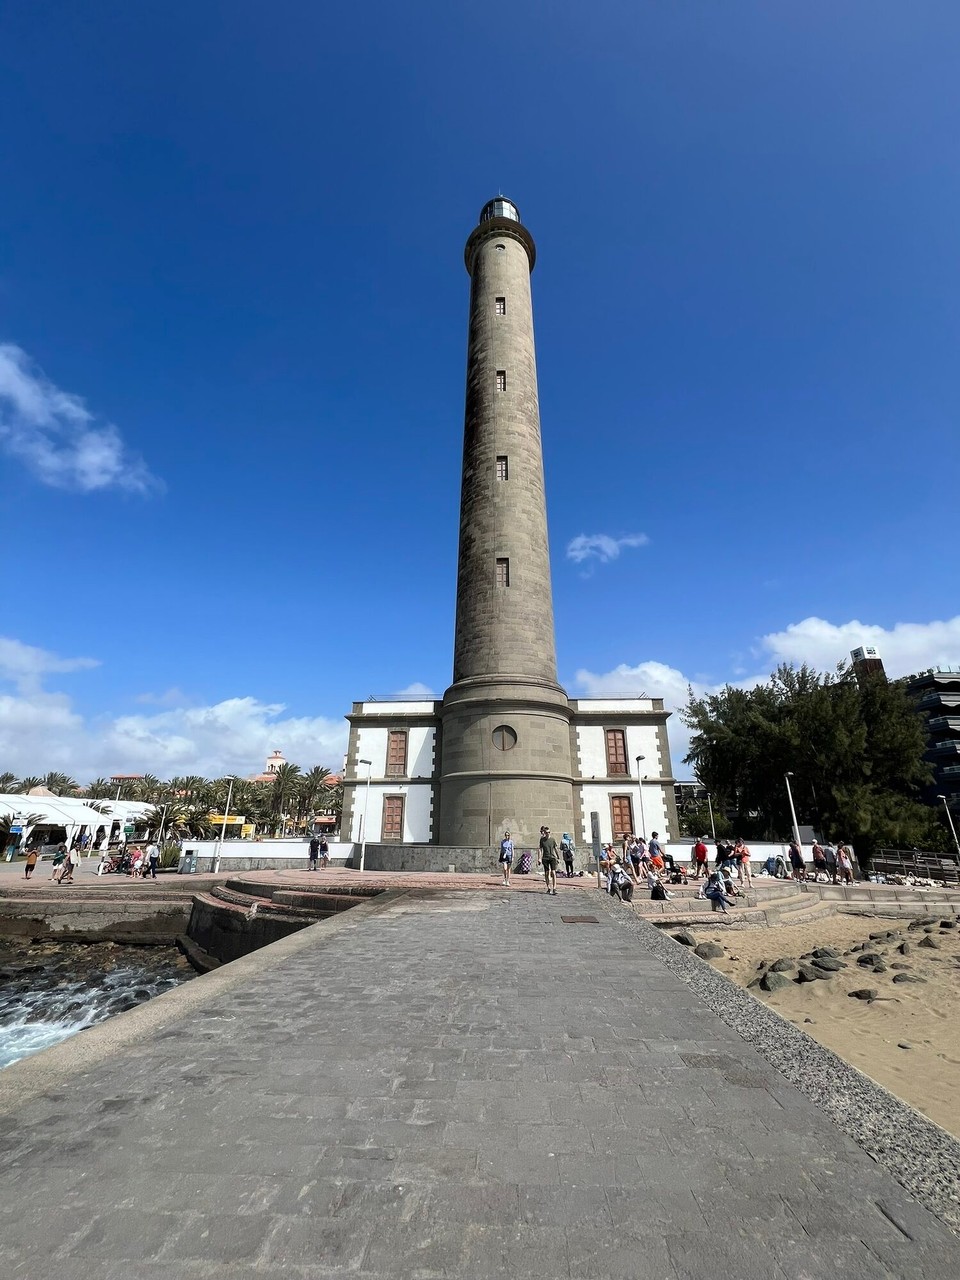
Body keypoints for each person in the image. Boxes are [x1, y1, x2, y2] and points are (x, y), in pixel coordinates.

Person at [539, 826, 559, 895]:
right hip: (545, 858)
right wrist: (539, 858)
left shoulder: (552, 839)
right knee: (547, 873)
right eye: (546, 832)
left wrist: (558, 857)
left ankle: (554, 888)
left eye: (549, 832)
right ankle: (548, 888)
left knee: (553, 872)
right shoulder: (542, 840)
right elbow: (540, 849)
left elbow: (555, 848)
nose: (548, 833)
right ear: (544, 832)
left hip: (552, 858)